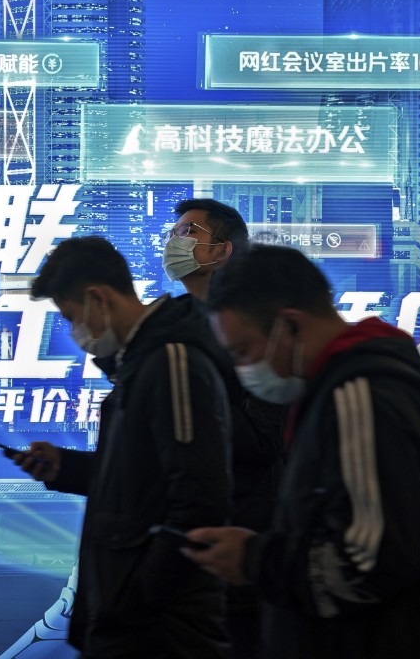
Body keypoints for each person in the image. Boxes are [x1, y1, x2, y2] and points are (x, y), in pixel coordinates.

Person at [184, 244, 420, 659]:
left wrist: (255, 558)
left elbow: (366, 562)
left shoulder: (360, 394)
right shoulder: (341, 386)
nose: (243, 369)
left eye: (243, 352)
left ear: (289, 325)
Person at [10, 235, 232, 659]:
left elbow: (198, 497)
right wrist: (67, 468)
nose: (77, 333)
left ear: (98, 298)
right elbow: (144, 480)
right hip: (128, 616)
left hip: (159, 627)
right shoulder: (137, 364)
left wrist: (137, 595)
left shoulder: (172, 360)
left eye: (73, 317)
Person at [162, 199, 286, 659]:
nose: (173, 242)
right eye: (174, 232)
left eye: (187, 232)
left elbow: (261, 443)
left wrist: (188, 394)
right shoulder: (167, 322)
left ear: (222, 251)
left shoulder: (263, 330)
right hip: (174, 545)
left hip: (240, 544)